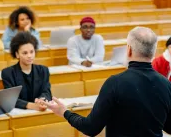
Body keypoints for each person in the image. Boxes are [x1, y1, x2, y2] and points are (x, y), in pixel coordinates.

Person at [43, 27, 171, 137]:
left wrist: (65, 112)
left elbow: (91, 128)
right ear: (153, 52)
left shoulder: (115, 83)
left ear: (129, 50)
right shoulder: (166, 84)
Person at [1, 31, 52, 111]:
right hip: (19, 113)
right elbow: (11, 99)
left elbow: (47, 92)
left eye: (32, 52)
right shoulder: (7, 73)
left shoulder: (43, 70)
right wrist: (32, 106)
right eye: (25, 53)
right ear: (17, 54)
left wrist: (42, 100)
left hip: (39, 111)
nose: (29, 56)